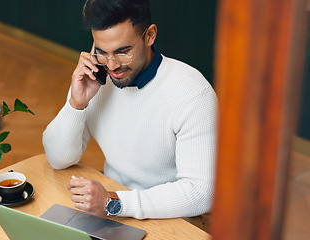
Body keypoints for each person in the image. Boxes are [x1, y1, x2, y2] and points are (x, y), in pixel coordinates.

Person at [42, 0, 218, 219]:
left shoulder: (192, 93)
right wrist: (77, 104)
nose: (112, 65)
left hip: (174, 216)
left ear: (150, 35)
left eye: (123, 52)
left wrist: (113, 202)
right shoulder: (95, 80)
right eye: (102, 52)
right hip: (111, 205)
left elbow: (201, 192)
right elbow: (58, 159)